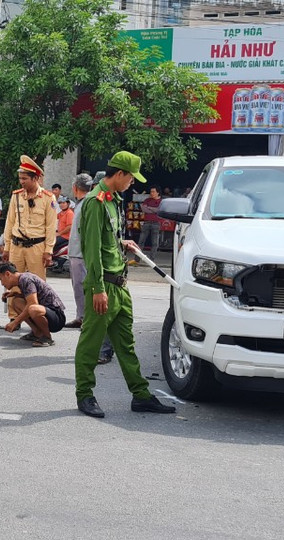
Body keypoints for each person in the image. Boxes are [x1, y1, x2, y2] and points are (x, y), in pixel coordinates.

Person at [74, 151, 176, 418]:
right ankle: (84, 395)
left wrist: (122, 242)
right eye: (131, 177)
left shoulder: (113, 200)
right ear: (119, 174)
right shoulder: (95, 203)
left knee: (126, 345)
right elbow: (92, 249)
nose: (133, 183)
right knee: (91, 344)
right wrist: (97, 289)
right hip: (104, 286)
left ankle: (140, 395)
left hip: (120, 285)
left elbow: (107, 239)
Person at [66, 174, 117, 364]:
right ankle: (82, 320)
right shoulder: (89, 202)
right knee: (87, 301)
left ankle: (104, 348)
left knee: (98, 307)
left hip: (88, 258)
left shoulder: (98, 202)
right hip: (79, 255)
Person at [1, 155, 58, 279]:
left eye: (25, 178)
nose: (21, 182)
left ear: (35, 178)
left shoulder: (48, 198)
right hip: (16, 247)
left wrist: (48, 251)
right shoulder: (16, 196)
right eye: (20, 178)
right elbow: (10, 222)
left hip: (37, 248)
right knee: (13, 286)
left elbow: (51, 226)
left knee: (38, 286)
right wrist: (7, 247)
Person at [0, 262, 66, 347]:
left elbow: (33, 303)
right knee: (16, 301)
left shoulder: (26, 279)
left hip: (57, 317)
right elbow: (34, 296)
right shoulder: (22, 279)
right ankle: (37, 333)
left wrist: (15, 322)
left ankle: (47, 337)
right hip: (45, 312)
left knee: (33, 309)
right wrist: (16, 294)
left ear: (8, 274)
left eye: (1, 279)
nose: (2, 284)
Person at [138, 187, 163, 262]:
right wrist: (154, 209)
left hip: (156, 223)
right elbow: (144, 209)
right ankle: (137, 259)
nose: (151, 193)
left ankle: (151, 259)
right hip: (146, 222)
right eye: (151, 191)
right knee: (141, 241)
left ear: (158, 193)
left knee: (154, 243)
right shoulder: (147, 200)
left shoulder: (161, 201)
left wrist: (149, 208)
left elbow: (159, 210)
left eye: (153, 192)